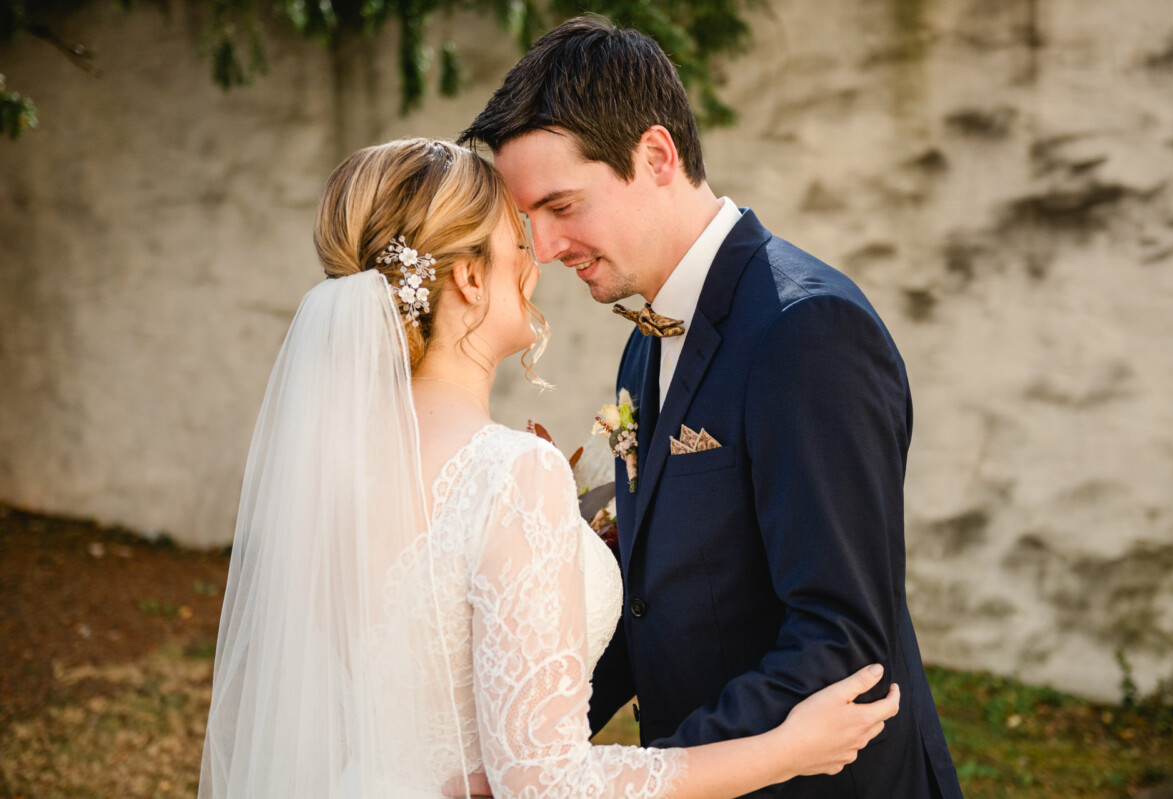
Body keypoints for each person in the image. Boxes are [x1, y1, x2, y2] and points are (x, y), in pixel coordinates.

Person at [196, 138, 900, 799]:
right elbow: (549, 785)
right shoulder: (509, 473)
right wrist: (783, 748)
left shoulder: (331, 470)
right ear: (470, 277)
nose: (542, 257)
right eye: (519, 238)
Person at [459, 16, 963, 799]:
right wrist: (529, 757)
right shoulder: (644, 340)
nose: (547, 247)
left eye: (562, 206)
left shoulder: (808, 333)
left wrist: (654, 775)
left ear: (655, 155)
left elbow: (840, 642)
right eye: (532, 220)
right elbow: (647, 597)